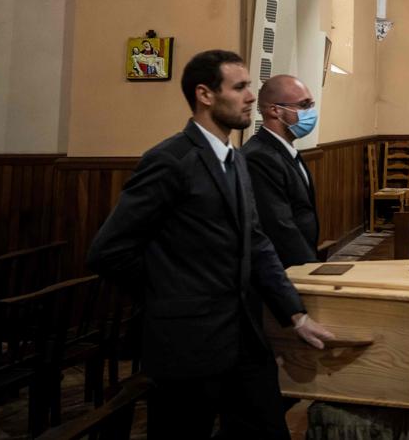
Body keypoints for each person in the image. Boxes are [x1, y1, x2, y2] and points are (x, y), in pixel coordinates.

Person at [86, 49, 333, 439]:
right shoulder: (171, 159)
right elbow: (109, 250)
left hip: (244, 335)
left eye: (250, 86)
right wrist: (173, 294)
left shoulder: (235, 158)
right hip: (187, 343)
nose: (251, 96)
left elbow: (257, 241)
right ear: (205, 95)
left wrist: (295, 315)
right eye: (239, 87)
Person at [243, 74, 321, 267]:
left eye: (311, 105)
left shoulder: (286, 151)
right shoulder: (259, 157)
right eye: (303, 105)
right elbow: (279, 228)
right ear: (275, 110)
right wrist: (308, 270)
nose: (311, 112)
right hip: (283, 269)